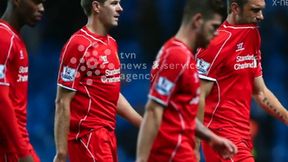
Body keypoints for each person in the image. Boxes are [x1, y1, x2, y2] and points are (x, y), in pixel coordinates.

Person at [136, 0, 238, 162]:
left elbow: (183, 115)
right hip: (170, 155)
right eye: (213, 26)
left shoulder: (185, 56)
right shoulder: (175, 56)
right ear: (198, 21)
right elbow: (153, 110)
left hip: (183, 154)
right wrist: (141, 159)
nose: (217, 33)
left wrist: (212, 138)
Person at [195, 0, 288, 161]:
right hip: (221, 137)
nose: (261, 16)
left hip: (244, 137)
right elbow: (197, 96)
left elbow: (260, 92)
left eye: (262, 10)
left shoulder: (252, 35)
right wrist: (194, 149)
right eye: (255, 10)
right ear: (235, 8)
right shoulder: (213, 43)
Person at [53, 0, 142, 162]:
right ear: (96, 7)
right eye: (114, 3)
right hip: (88, 138)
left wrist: (142, 123)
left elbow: (110, 94)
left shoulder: (111, 43)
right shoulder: (78, 45)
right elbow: (62, 101)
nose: (120, 8)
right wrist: (61, 153)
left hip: (107, 137)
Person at [0, 0, 44, 162]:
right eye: (37, 2)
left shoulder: (14, 39)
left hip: (18, 146)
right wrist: (23, 153)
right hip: (9, 149)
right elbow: (1, 100)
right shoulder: (3, 38)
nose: (42, 8)